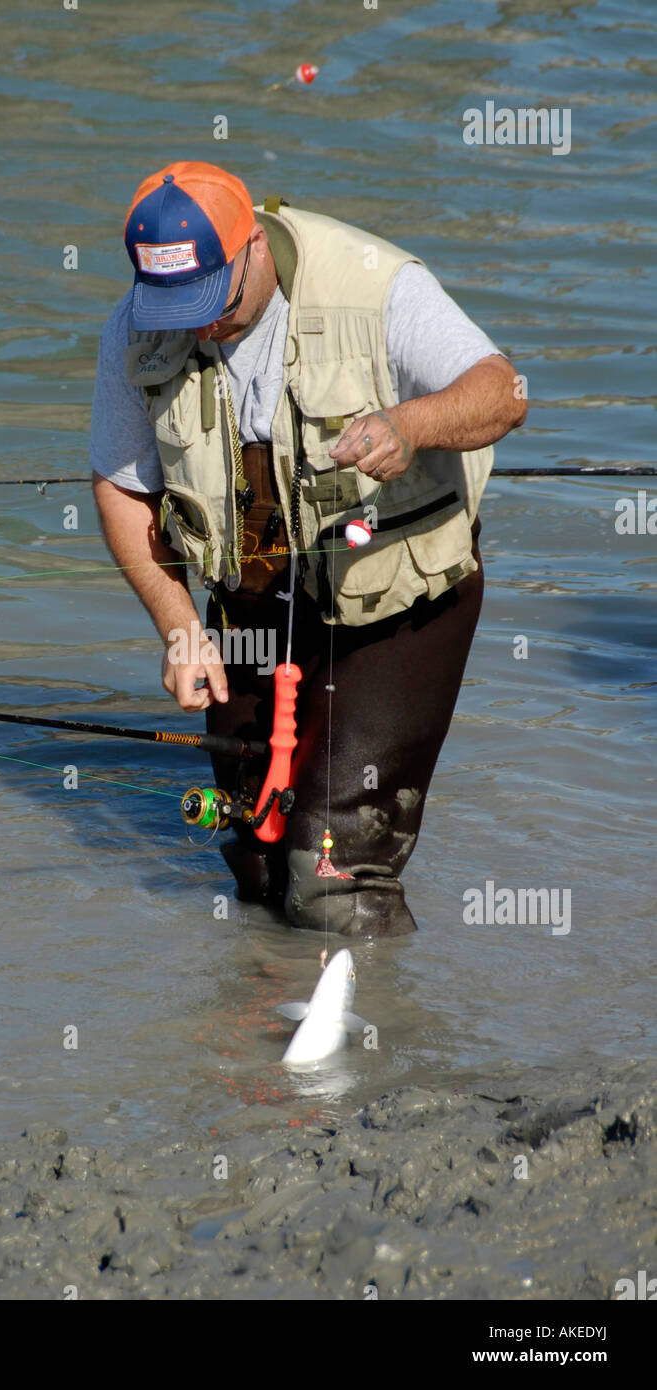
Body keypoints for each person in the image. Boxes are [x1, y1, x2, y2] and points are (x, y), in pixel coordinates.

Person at [90, 161, 525, 936]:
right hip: (253, 598)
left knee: (332, 874)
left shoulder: (377, 286)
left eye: (209, 304)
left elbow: (502, 392)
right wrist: (178, 624)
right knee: (256, 860)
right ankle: (259, 1028)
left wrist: (409, 426)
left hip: (396, 602)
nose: (195, 328)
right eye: (173, 308)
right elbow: (124, 486)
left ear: (254, 247)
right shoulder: (137, 323)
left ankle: (376, 1043)